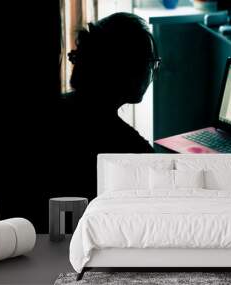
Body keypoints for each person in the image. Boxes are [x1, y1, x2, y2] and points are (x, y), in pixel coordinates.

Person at [51, 13, 160, 201]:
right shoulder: (132, 151)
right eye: (151, 63)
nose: (152, 72)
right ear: (128, 70)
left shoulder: (58, 109)